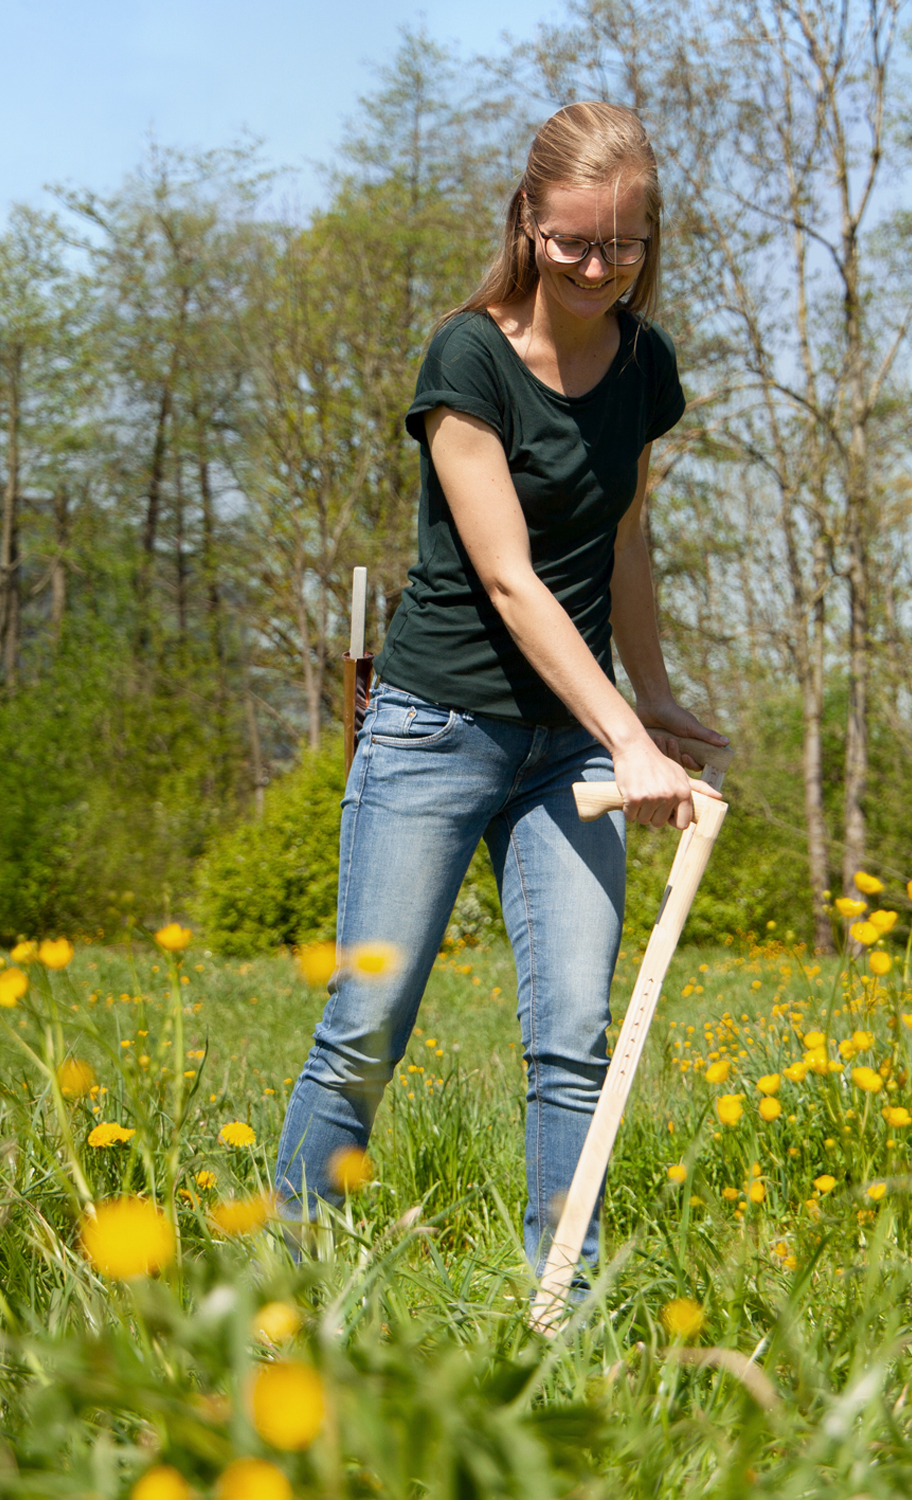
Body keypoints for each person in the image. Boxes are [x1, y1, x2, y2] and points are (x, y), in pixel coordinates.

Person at [275, 100, 726, 1276]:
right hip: (437, 727)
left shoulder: (643, 362)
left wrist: (656, 697)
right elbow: (512, 579)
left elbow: (623, 537)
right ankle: (289, 1286)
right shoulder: (466, 357)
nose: (596, 266)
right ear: (528, 222)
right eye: (574, 240)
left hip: (570, 745)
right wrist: (629, 736)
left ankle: (559, 1305)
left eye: (623, 246)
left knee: (574, 1038)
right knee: (365, 1026)